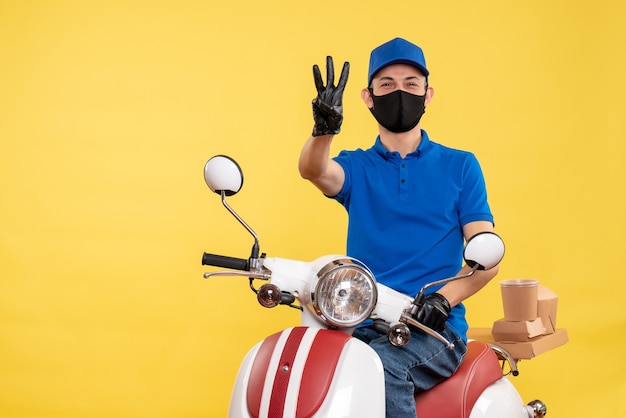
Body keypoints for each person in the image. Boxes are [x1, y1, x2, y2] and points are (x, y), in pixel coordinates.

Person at [298, 37, 499, 417]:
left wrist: (443, 300)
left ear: (428, 94)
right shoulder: (356, 167)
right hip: (360, 319)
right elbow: (314, 170)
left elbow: (485, 257)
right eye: (387, 85)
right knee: (309, 363)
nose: (400, 92)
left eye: (411, 84)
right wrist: (323, 130)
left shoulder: (461, 166)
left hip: (433, 329)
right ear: (368, 97)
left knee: (382, 369)